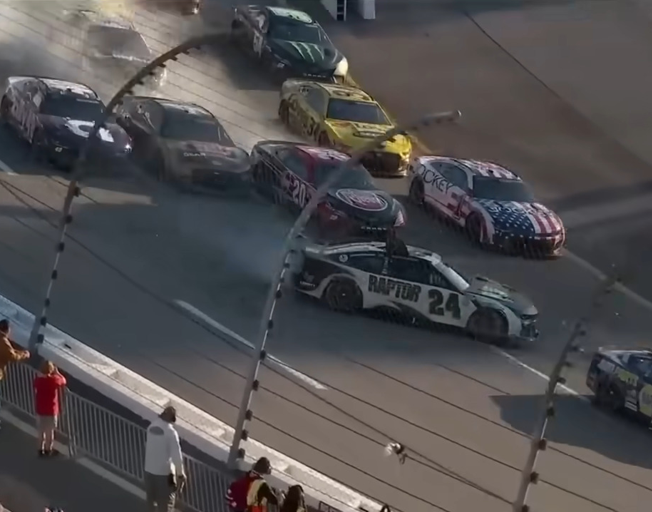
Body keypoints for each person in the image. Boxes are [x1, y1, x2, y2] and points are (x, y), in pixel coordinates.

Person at [144, 406, 186, 512]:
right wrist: (180, 474)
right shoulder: (171, 432)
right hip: (164, 474)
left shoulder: (151, 427)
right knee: (165, 505)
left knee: (151, 504)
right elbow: (177, 456)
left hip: (148, 472)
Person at [0, 319, 30, 428]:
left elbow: (9, 351)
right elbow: (12, 356)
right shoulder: (3, 341)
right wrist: (24, 354)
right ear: (7, 330)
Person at [33, 361, 67, 456]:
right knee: (50, 432)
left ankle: (40, 449)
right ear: (51, 370)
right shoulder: (54, 380)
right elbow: (63, 380)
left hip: (40, 410)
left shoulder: (38, 381)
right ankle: (48, 450)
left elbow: (35, 384)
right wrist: (57, 372)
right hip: (51, 411)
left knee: (41, 431)